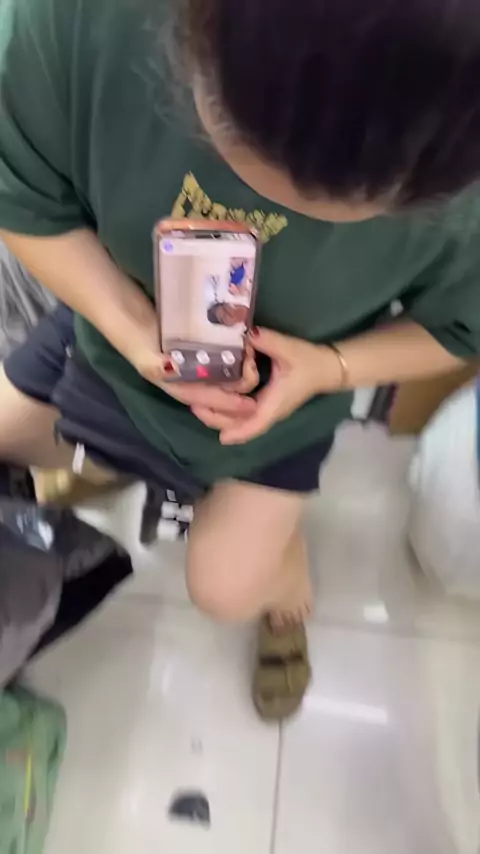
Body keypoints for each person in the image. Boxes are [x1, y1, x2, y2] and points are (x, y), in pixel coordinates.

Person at [2, 0, 480, 721]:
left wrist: (330, 369)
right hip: (108, 337)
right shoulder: (71, 19)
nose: (272, 192)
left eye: (361, 198)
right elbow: (23, 197)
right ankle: (129, 464)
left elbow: (460, 328)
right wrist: (130, 328)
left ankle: (284, 577)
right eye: (235, 126)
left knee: (228, 589)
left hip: (289, 404)